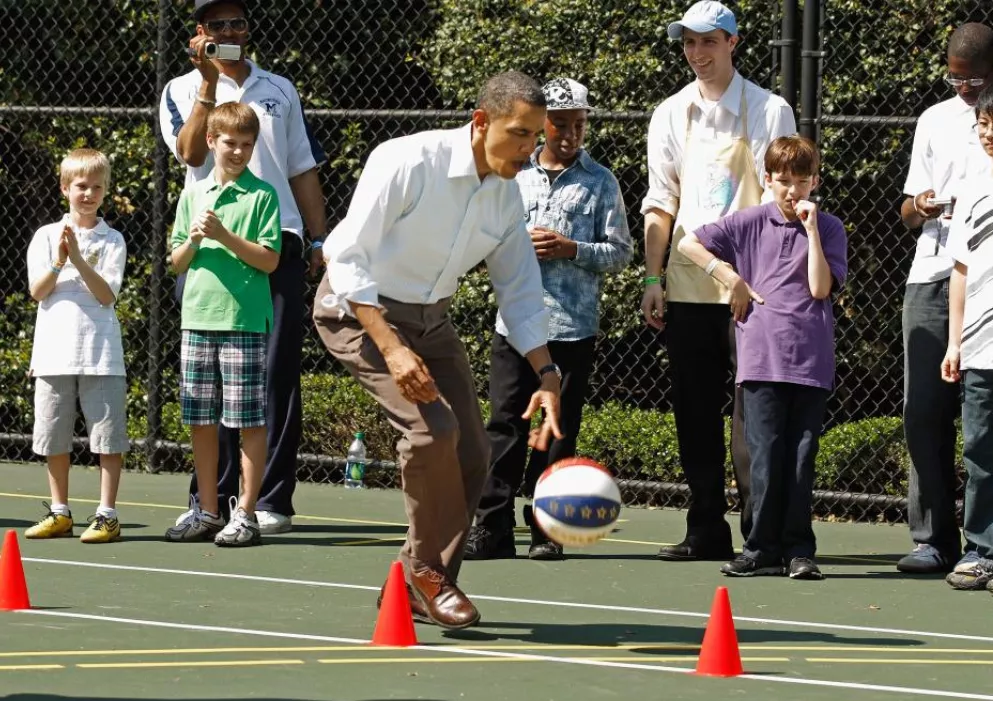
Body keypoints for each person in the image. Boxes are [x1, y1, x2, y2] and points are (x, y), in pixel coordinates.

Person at [314, 71, 563, 629]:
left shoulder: (504, 196)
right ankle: (427, 574)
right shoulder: (406, 160)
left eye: (535, 138)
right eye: (520, 134)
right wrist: (392, 348)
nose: (529, 150)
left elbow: (520, 288)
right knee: (432, 432)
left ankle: (414, 583)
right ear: (481, 122)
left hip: (431, 321)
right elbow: (347, 256)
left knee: (475, 452)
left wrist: (547, 374)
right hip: (358, 310)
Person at [158, 0, 327, 532]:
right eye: (218, 25)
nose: (230, 32)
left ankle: (268, 503)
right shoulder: (180, 90)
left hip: (277, 243)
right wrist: (207, 84)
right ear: (200, 33)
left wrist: (320, 239)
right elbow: (190, 156)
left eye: (238, 23)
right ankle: (210, 503)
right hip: (206, 255)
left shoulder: (280, 89)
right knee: (206, 390)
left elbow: (301, 167)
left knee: (273, 377)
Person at [640, 0, 797, 561]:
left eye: (708, 41)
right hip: (686, 284)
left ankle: (761, 535)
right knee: (693, 410)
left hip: (752, 291)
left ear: (733, 42)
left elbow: (782, 198)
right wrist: (653, 277)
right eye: (688, 42)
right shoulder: (669, 113)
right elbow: (661, 202)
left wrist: (759, 280)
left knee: (754, 412)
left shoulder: (769, 109)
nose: (697, 53)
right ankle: (705, 527)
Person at [465, 78, 633, 561]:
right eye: (560, 124)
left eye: (579, 125)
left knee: (556, 431)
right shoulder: (512, 174)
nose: (570, 134)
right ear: (543, 125)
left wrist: (571, 249)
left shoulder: (601, 181)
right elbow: (485, 235)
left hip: (572, 327)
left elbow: (620, 253)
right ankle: (491, 528)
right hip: (515, 325)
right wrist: (518, 243)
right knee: (504, 426)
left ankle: (547, 530)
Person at [679, 135, 848, 579]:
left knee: (799, 458)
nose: (793, 192)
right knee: (763, 457)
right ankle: (759, 547)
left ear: (815, 181)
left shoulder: (828, 228)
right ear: (768, 180)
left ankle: (799, 550)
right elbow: (687, 244)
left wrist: (811, 230)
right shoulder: (748, 222)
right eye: (784, 181)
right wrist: (729, 275)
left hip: (810, 362)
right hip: (760, 359)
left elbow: (820, 288)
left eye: (802, 182)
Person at [896, 22, 993, 575]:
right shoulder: (935, 119)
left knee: (984, 420)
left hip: (988, 279)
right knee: (923, 410)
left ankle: (984, 545)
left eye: (974, 78)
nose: (962, 87)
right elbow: (907, 208)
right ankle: (934, 538)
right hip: (935, 274)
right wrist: (926, 204)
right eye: (954, 77)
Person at [164, 102, 282, 547]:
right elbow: (176, 262)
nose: (238, 152)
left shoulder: (263, 196)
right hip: (196, 319)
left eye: (247, 145)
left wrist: (223, 237)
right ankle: (209, 510)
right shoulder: (192, 195)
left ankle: (246, 513)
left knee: (247, 420)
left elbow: (270, 260)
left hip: (244, 321)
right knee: (200, 418)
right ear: (211, 141)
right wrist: (194, 240)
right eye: (230, 143)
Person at [24, 148, 128, 544]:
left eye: (96, 187)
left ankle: (107, 515)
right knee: (53, 436)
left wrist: (79, 259)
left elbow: (106, 295)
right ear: (65, 188)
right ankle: (60, 512)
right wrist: (57, 261)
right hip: (53, 355)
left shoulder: (113, 238)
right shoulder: (45, 235)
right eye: (81, 186)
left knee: (107, 437)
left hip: (101, 356)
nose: (88, 194)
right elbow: (37, 291)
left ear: (104, 192)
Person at [940, 85, 993, 591]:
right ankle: (980, 550)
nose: (989, 133)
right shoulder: (974, 192)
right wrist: (955, 343)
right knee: (978, 449)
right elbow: (960, 270)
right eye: (982, 125)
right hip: (979, 347)